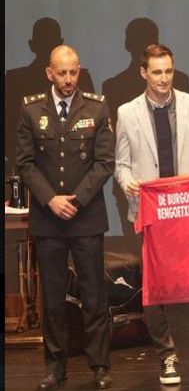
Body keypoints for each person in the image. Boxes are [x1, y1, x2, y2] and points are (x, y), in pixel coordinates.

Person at [113, 44, 189, 385]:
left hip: (188, 209)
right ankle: (167, 356)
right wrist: (129, 183)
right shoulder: (127, 112)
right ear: (143, 73)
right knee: (155, 286)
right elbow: (121, 165)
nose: (163, 79)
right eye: (157, 72)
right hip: (151, 212)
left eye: (169, 71)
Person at [15, 45, 114, 390]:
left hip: (86, 217)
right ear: (49, 73)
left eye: (73, 72)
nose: (69, 79)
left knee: (94, 296)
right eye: (62, 73)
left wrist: (77, 199)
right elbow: (25, 163)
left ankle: (100, 365)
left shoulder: (97, 107)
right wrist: (51, 200)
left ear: (79, 70)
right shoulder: (31, 110)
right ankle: (55, 367)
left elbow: (105, 162)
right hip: (49, 219)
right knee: (53, 299)